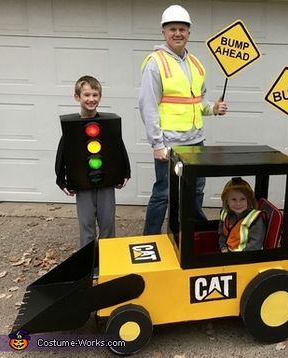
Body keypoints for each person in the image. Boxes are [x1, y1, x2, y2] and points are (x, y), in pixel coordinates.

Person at [139, 4, 228, 235]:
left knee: (196, 190)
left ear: (189, 32)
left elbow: (196, 103)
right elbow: (147, 105)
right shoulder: (155, 63)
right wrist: (157, 143)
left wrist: (214, 109)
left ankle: (191, 234)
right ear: (163, 32)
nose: (178, 33)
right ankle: (149, 238)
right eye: (172, 29)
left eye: (182, 29)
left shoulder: (196, 64)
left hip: (196, 140)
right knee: (164, 193)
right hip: (169, 143)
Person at [55, 75, 131, 247]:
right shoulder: (72, 128)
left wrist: (125, 171)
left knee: (108, 225)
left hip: (106, 182)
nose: (91, 99)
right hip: (83, 184)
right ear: (77, 97)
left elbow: (118, 146)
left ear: (100, 97)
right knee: (86, 225)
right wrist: (61, 180)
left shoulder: (107, 124)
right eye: (86, 95)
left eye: (95, 95)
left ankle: (108, 262)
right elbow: (63, 152)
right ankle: (88, 264)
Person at [218, 177, 266, 252]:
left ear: (249, 200)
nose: (238, 203)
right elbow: (222, 235)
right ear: (227, 201)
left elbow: (255, 245)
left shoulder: (255, 219)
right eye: (233, 199)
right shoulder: (225, 215)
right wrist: (223, 247)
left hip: (247, 258)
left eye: (243, 199)